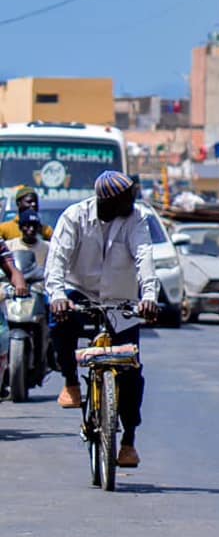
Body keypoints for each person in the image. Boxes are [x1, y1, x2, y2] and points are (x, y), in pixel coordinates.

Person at [45, 172, 161, 465]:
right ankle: (71, 381)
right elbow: (57, 260)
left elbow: (144, 258)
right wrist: (58, 295)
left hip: (121, 301)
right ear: (107, 201)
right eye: (127, 198)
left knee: (132, 370)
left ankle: (128, 441)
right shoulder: (74, 217)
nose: (132, 203)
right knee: (60, 322)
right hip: (79, 290)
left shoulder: (136, 220)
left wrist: (148, 297)